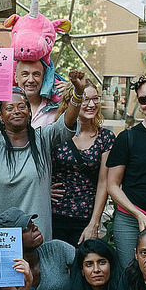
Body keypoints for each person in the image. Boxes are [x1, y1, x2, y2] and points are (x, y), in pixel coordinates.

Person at [0, 67, 86, 240]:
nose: (16, 111)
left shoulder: (43, 139)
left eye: (21, 106)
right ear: (0, 116)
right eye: (10, 108)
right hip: (0, 239)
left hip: (36, 237)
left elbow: (67, 122)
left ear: (29, 112)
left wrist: (78, 93)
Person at [106, 73, 146, 270]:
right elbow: (112, 185)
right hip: (130, 220)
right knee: (131, 273)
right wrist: (137, 214)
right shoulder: (128, 137)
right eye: (144, 100)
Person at [51, 80, 116, 245]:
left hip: (86, 218)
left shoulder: (105, 137)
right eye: (85, 100)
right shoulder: (55, 133)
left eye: (95, 99)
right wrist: (44, 191)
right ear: (71, 102)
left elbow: (103, 182)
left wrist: (94, 222)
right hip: (54, 215)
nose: (91, 105)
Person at [0, 208, 75, 290]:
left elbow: (86, 266)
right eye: (26, 229)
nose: (35, 228)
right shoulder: (2, 268)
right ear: (8, 241)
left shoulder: (57, 249)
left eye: (32, 224)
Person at [57, 238, 121, 290]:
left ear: (111, 266)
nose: (96, 269)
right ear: (82, 271)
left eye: (102, 262)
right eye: (89, 264)